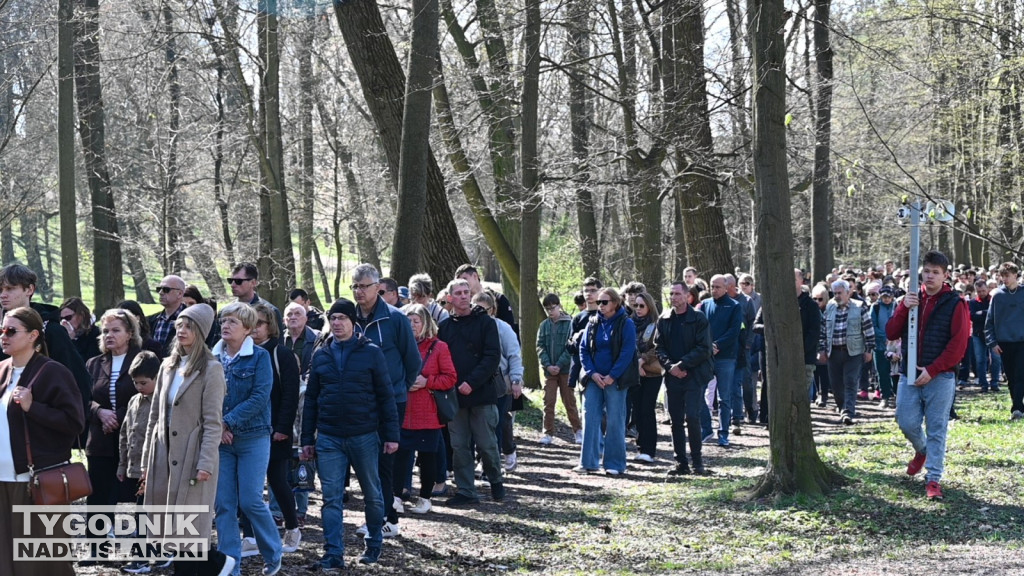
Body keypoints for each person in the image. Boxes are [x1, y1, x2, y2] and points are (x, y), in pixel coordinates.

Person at [301, 298, 399, 569]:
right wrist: (307, 440)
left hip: (364, 434)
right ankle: (333, 552)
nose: (337, 323)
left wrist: (391, 435)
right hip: (330, 437)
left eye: (342, 318)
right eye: (333, 319)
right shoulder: (321, 355)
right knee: (331, 498)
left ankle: (374, 542)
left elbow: (385, 396)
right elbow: (311, 400)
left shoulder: (371, 352)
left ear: (353, 322)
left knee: (372, 493)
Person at [141, 303, 235, 576]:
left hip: (192, 456)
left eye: (189, 326)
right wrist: (147, 458)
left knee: (188, 527)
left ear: (202, 331)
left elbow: (212, 422)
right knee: (171, 527)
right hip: (164, 454)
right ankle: (217, 564)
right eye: (179, 325)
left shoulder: (211, 369)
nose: (181, 330)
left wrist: (206, 461)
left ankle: (212, 564)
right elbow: (154, 416)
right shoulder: (167, 366)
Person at [0, 307, 85, 576]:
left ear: (33, 335)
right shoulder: (2, 370)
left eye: (11, 330)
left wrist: (33, 407)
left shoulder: (53, 372)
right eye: (2, 329)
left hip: (35, 482)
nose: (4, 335)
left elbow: (74, 423)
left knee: (42, 562)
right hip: (2, 480)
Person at [886, 250, 968, 499]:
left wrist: (933, 370)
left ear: (945, 275)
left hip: (940, 376)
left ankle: (933, 480)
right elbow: (891, 332)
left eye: (936, 272)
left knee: (937, 428)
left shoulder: (956, 302)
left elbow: (958, 345)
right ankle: (921, 450)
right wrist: (903, 307)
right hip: (909, 373)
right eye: (927, 271)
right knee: (905, 420)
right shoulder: (911, 299)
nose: (930, 276)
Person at [211, 302, 282, 576]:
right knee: (224, 504)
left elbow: (259, 397)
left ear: (248, 329)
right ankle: (231, 564)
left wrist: (227, 422)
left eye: (232, 322)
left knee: (251, 500)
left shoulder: (260, 357)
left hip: (253, 437)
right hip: (221, 441)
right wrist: (219, 427)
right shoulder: (211, 358)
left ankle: (273, 553)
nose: (225, 326)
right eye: (224, 321)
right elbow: (206, 398)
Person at [349, 263, 420, 537]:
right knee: (365, 461)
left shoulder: (395, 318)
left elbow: (412, 360)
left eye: (363, 286)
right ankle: (380, 516)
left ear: (378, 287)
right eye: (354, 286)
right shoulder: (349, 318)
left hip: (390, 400)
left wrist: (397, 389)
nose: (359, 292)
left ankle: (385, 519)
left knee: (383, 459)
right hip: (357, 401)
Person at [0, 265, 92, 439]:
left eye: (10, 288)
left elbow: (79, 380)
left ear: (29, 289)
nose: (3, 294)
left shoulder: (51, 331)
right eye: (1, 289)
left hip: (41, 433)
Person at [239, 304, 301, 556]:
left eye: (260, 324)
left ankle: (293, 527)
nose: (254, 329)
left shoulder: (281, 354)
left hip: (275, 429)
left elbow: (290, 395)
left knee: (277, 480)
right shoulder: (242, 352)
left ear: (270, 325)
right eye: (250, 324)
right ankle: (249, 535)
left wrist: (283, 427)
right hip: (246, 430)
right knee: (246, 485)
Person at [437, 278, 504, 504]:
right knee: (459, 446)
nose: (464, 296)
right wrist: (449, 384)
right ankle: (466, 490)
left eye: (467, 292)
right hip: (454, 396)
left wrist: (472, 383)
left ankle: (495, 480)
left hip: (482, 393)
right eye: (459, 293)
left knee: (486, 444)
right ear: (450, 298)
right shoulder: (444, 328)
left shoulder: (485, 323)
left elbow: (492, 356)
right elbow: (440, 359)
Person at [84, 309, 144, 551]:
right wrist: (99, 411)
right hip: (100, 439)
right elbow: (82, 397)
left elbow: (147, 394)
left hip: (133, 439)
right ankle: (96, 547)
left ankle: (139, 548)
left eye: (116, 330)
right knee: (98, 495)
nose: (109, 335)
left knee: (133, 494)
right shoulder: (93, 363)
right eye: (105, 331)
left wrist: (117, 416)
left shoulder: (143, 358)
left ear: (130, 333)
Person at [394, 304, 456, 515]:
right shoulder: (398, 346)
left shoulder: (440, 347)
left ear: (426, 323)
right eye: (408, 321)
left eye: (416, 321)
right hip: (402, 411)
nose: (411, 325)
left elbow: (450, 378)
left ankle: (425, 497)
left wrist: (426, 381)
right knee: (399, 456)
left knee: (427, 457)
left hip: (427, 412)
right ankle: (396, 497)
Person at [576, 287, 637, 475]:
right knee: (590, 417)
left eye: (604, 302)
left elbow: (627, 352)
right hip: (594, 379)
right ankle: (588, 462)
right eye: (598, 302)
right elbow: (583, 349)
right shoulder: (592, 322)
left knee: (615, 421)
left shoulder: (626, 323)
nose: (600, 306)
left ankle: (615, 464)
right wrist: (592, 373)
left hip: (615, 380)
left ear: (615, 303)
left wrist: (612, 375)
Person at [656, 282, 712, 475]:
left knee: (693, 417)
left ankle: (697, 462)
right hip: (673, 377)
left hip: (694, 375)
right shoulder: (664, 319)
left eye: (678, 294)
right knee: (676, 420)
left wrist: (683, 364)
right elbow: (659, 347)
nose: (674, 297)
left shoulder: (698, 318)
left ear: (687, 296)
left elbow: (704, 348)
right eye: (671, 294)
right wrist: (671, 367)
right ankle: (680, 462)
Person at [118, 351, 160, 575]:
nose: (139, 387)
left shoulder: (163, 403)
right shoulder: (134, 401)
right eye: (135, 383)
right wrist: (122, 465)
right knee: (140, 513)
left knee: (147, 514)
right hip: (135, 468)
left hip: (155, 468)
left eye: (144, 382)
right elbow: (125, 434)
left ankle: (143, 558)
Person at [472, 291, 523, 471]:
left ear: (492, 310)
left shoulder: (503, 328)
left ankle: (493, 464)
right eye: (475, 308)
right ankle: (482, 459)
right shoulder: (470, 327)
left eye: (483, 310)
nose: (478, 313)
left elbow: (514, 355)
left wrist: (516, 380)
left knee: (498, 422)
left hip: (501, 382)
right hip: (477, 382)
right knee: (479, 423)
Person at [818, 279, 875, 425]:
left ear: (847, 292)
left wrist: (869, 350)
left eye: (840, 293)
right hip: (834, 352)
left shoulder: (859, 307)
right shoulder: (830, 307)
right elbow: (823, 330)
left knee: (850, 381)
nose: (837, 296)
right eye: (835, 293)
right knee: (836, 384)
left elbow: (868, 330)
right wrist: (822, 349)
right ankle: (842, 407)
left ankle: (848, 411)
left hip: (853, 352)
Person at [701, 275, 742, 446]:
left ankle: (723, 432)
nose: (714, 290)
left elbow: (734, 331)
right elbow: (700, 328)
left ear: (726, 288)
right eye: (712, 286)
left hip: (726, 357)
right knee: (698, 393)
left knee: (724, 397)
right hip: (706, 356)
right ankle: (706, 428)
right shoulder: (705, 304)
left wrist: (717, 345)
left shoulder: (734, 306)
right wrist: (707, 347)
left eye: (718, 287)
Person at [536, 293, 581, 445]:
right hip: (549, 372)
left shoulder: (570, 323)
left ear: (559, 305)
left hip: (566, 370)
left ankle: (578, 431)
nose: (550, 311)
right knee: (548, 402)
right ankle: (547, 433)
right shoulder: (544, 325)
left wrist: (560, 364)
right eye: (547, 309)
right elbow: (540, 346)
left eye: (552, 308)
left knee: (569, 402)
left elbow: (571, 347)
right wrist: (548, 365)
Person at [986, 262, 1024, 419]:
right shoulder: (998, 296)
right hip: (1004, 342)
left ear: (1015, 275)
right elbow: (989, 321)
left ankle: (1017, 409)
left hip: (1022, 341)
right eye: (1002, 276)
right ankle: (1018, 405)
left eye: (1007, 275)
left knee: (1020, 374)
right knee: (1011, 376)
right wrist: (992, 342)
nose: (1005, 279)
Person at [632, 291, 663, 463]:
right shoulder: (629, 323)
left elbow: (658, 347)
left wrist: (642, 361)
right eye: (635, 305)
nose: (638, 308)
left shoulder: (656, 325)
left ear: (649, 306)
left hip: (651, 372)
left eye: (641, 305)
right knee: (637, 410)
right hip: (635, 373)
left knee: (647, 409)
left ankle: (649, 449)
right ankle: (640, 446)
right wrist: (636, 363)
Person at [455, 264, 518, 337]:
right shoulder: (463, 302)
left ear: (475, 276)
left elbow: (509, 329)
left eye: (464, 279)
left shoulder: (499, 299)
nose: (462, 284)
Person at [228, 262, 283, 335]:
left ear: (253, 283)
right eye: (230, 281)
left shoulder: (271, 312)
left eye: (238, 281)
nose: (232, 285)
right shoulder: (226, 311)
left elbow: (278, 344)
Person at [871, 285, 898, 408]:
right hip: (880, 345)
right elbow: (873, 326)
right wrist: (885, 336)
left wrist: (894, 337)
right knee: (882, 372)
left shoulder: (897, 306)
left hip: (896, 346)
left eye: (889, 296)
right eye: (884, 297)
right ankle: (885, 397)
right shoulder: (875, 307)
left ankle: (898, 397)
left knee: (897, 372)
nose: (886, 299)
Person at [147, 275, 188, 356]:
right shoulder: (151, 320)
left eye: (166, 290)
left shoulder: (191, 320)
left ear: (179, 294)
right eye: (159, 289)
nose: (160, 292)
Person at [970, 279, 998, 393]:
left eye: (983, 290)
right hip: (978, 334)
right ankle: (983, 384)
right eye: (979, 291)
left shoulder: (993, 300)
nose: (982, 293)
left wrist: (981, 313)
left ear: (987, 289)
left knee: (996, 359)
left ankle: (995, 382)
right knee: (980, 360)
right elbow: (972, 316)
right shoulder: (972, 302)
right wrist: (986, 313)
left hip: (993, 334)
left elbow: (995, 314)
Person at [60, 296, 101, 362]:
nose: (64, 322)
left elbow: (84, 363)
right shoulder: (62, 335)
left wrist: (72, 340)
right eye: (61, 319)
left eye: (68, 317)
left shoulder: (96, 334)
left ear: (81, 315)